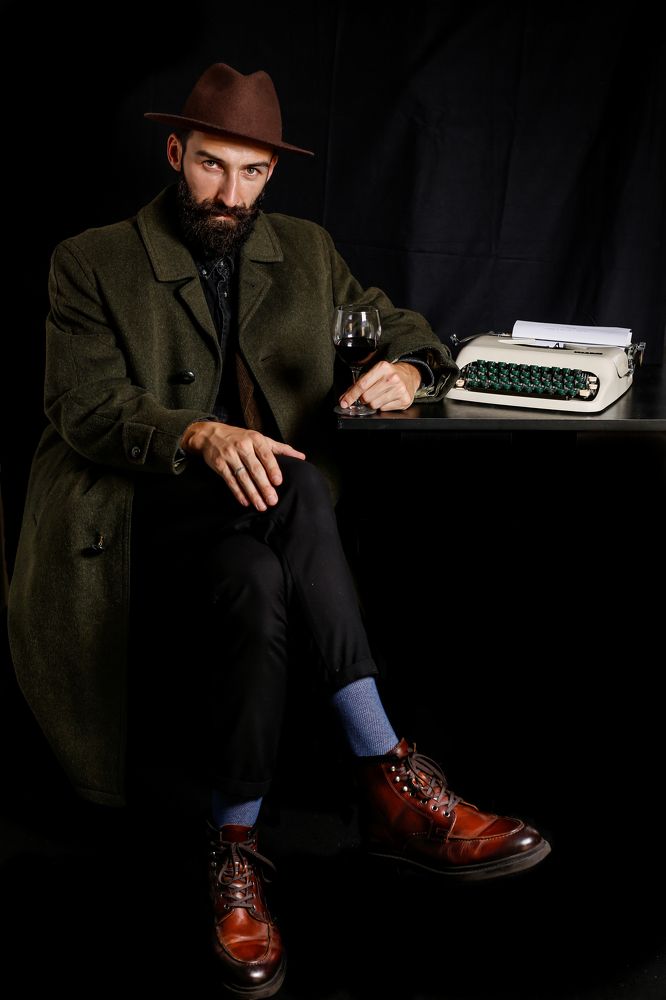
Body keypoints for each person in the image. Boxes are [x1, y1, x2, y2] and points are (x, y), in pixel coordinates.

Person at [8, 63, 550, 997]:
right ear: (175, 153)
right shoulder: (90, 260)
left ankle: (234, 856)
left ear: (271, 175)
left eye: (252, 172)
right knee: (296, 487)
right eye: (211, 165)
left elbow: (403, 328)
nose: (230, 194)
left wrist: (412, 371)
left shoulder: (305, 250)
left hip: (256, 540)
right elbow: (83, 406)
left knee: (258, 580)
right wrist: (199, 434)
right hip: (133, 513)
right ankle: (386, 769)